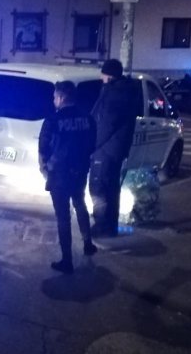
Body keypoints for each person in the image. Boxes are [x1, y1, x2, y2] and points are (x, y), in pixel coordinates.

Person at [39, 81, 97, 274]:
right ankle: (88, 244)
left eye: (55, 97)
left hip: (59, 174)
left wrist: (44, 168)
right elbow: (92, 145)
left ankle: (67, 260)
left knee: (63, 217)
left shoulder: (52, 120)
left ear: (62, 97)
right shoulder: (88, 118)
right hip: (79, 171)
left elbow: (43, 148)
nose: (53, 100)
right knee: (80, 204)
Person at [89, 59, 139, 239]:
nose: (101, 78)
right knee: (111, 188)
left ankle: (102, 226)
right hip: (116, 149)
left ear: (109, 76)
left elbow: (105, 125)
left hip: (106, 150)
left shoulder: (114, 94)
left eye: (103, 74)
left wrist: (91, 145)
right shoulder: (125, 90)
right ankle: (110, 226)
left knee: (99, 187)